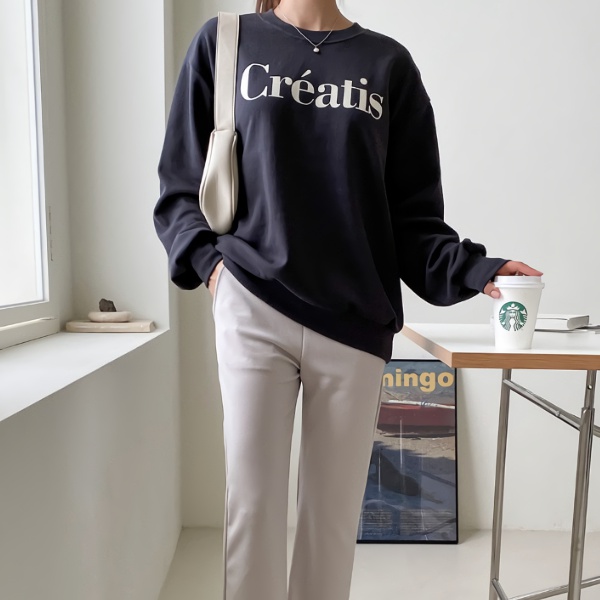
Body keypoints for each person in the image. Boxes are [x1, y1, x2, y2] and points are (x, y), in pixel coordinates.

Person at [153, 1, 542, 599]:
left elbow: (413, 220)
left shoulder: (389, 64)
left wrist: (475, 268)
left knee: (330, 526)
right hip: (252, 302)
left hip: (354, 323)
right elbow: (180, 184)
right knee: (251, 510)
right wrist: (212, 269)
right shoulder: (226, 41)